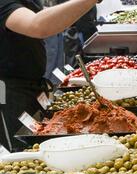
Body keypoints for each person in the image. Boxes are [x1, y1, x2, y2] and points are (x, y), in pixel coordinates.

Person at [0, 0, 100, 150]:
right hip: (10, 92)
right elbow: (38, 25)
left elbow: (46, 16)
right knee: (20, 153)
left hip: (30, 86)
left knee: (37, 144)